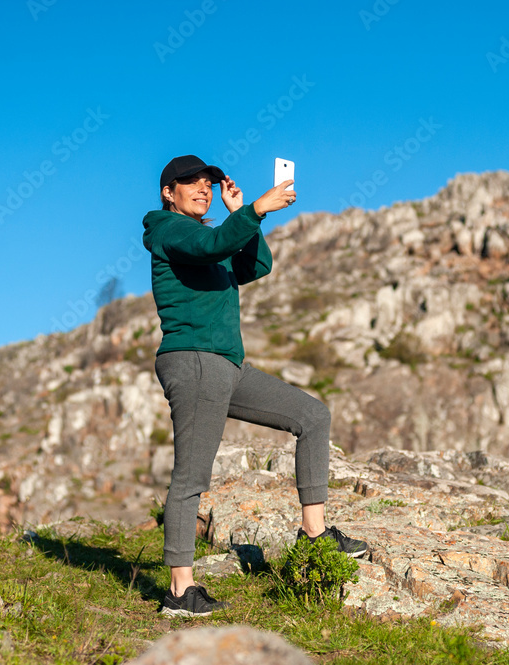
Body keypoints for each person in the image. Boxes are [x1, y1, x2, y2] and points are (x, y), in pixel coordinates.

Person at [142, 155, 368, 618]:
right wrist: (256, 211)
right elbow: (212, 247)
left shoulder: (207, 235)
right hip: (196, 361)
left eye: (208, 182)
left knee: (311, 416)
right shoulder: (167, 229)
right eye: (191, 183)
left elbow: (254, 265)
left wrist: (240, 215)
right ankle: (181, 591)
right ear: (170, 192)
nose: (202, 188)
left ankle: (313, 536)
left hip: (227, 367)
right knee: (192, 475)